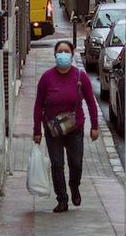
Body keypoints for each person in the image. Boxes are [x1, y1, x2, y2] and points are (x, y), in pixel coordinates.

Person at [31, 41, 100, 213]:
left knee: (75, 163)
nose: (63, 54)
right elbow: (38, 105)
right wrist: (37, 131)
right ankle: (62, 199)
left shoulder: (80, 77)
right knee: (57, 163)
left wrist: (94, 126)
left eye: (66, 51)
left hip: (75, 127)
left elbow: (91, 102)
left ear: (72, 53)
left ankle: (74, 185)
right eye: (60, 51)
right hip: (52, 128)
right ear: (55, 55)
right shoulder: (47, 78)